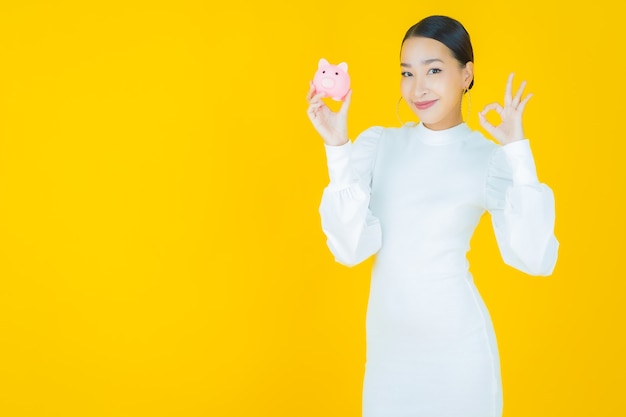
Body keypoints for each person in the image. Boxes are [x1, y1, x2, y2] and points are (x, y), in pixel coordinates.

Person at [305, 14, 559, 417]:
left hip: (459, 359)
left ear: (466, 74)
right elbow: (350, 249)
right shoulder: (380, 144)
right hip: (389, 362)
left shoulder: (487, 158)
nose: (417, 88)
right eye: (407, 73)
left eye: (434, 70)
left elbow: (533, 256)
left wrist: (519, 155)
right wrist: (337, 149)